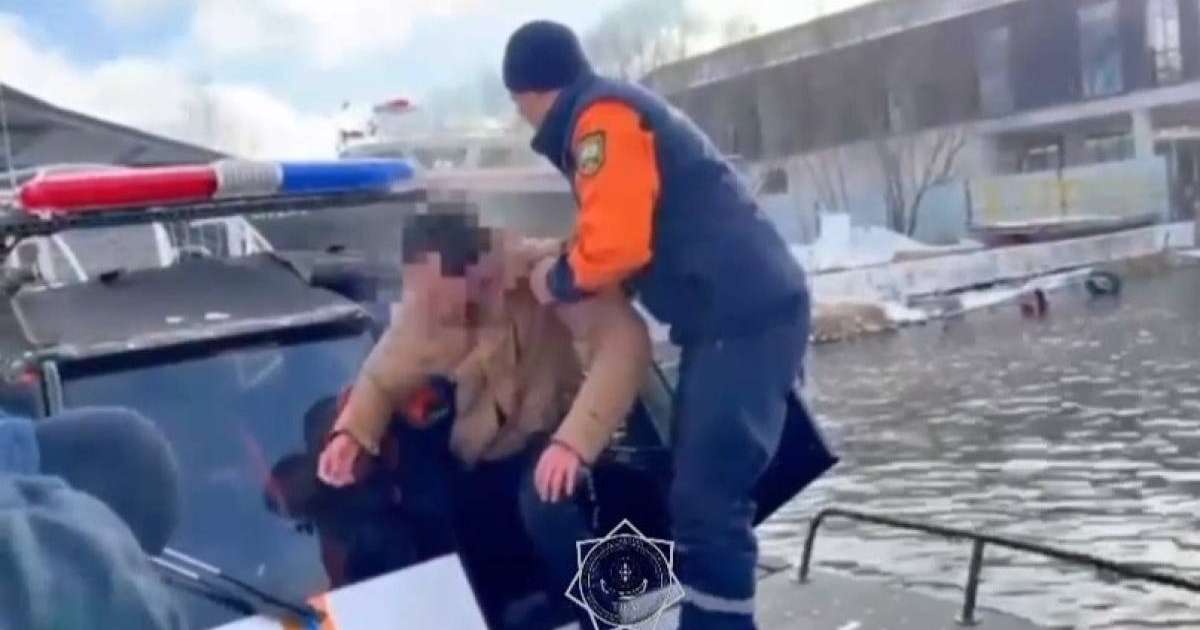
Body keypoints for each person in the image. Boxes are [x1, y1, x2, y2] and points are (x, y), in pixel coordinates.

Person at [502, 21, 812, 629]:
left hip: (742, 317)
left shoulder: (601, 122)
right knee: (702, 499)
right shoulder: (606, 115)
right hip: (731, 318)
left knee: (707, 503)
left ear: (530, 93)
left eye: (519, 106)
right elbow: (613, 231)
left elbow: (614, 247)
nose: (524, 121)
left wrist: (556, 279)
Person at [316, 211, 651, 627]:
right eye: (422, 296)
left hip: (550, 441)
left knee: (545, 498)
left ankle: (608, 615)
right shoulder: (429, 309)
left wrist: (574, 443)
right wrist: (350, 435)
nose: (429, 309)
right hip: (483, 462)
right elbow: (382, 377)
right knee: (443, 522)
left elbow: (625, 345)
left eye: (439, 296)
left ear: (477, 273)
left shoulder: (544, 277)